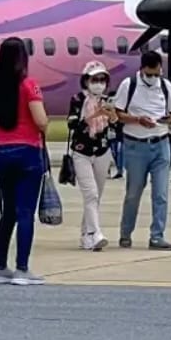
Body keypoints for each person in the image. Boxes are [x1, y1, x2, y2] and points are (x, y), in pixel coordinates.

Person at [0, 38, 50, 286]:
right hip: (27, 151)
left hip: (2, 150)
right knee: (25, 212)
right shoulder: (29, 85)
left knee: (7, 211)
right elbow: (41, 120)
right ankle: (22, 268)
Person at [113, 50, 171, 251]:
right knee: (133, 193)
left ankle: (157, 236)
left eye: (156, 73)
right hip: (135, 144)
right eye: (149, 74)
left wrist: (168, 120)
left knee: (160, 193)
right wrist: (138, 119)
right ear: (142, 70)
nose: (152, 78)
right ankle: (125, 233)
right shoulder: (129, 85)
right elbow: (118, 113)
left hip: (161, 144)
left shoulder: (165, 85)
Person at [64, 62, 116, 250]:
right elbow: (72, 125)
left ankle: (86, 233)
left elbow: (115, 127)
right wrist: (94, 115)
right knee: (90, 193)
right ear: (86, 80)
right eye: (95, 80)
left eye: (102, 80)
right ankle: (96, 233)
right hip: (81, 152)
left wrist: (112, 116)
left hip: (102, 151)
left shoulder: (107, 100)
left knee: (96, 196)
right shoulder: (78, 99)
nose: (99, 84)